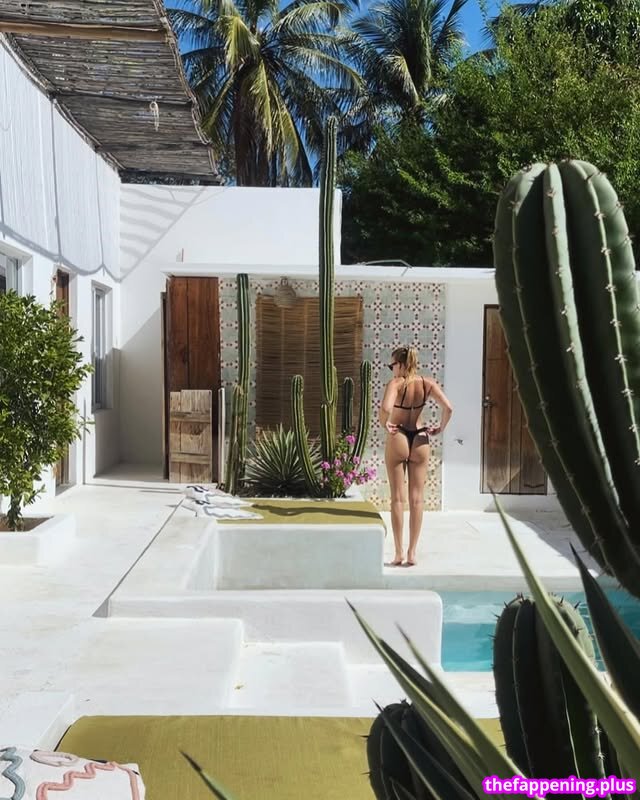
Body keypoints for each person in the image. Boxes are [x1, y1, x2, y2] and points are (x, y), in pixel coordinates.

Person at [379, 345, 453, 567]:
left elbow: (385, 408)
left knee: (397, 498)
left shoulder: (395, 383)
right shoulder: (427, 383)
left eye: (392, 365)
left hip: (399, 435)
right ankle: (412, 553)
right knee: (417, 499)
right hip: (420, 437)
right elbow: (448, 408)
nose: (392, 369)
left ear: (401, 365)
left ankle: (398, 553)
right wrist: (440, 428)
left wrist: (385, 424)